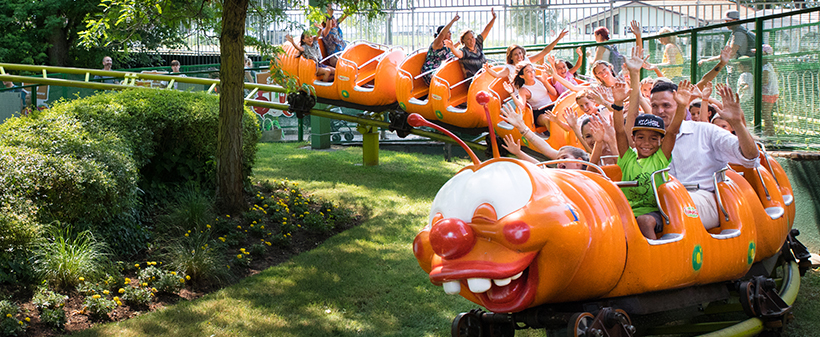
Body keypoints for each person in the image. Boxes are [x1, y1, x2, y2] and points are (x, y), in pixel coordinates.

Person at [609, 45, 690, 239]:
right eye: (641, 138)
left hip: (657, 213)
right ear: (634, 140)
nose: (647, 143)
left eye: (654, 138)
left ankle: (655, 258)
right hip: (627, 212)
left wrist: (681, 105)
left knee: (644, 222)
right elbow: (620, 130)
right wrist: (618, 104)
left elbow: (672, 131)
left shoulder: (661, 158)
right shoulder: (627, 157)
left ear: (660, 141)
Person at [484, 29, 569, 84]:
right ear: (511, 57)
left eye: (520, 53)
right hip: (522, 91)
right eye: (516, 54)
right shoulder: (509, 68)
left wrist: (558, 38)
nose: (519, 56)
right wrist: (488, 69)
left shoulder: (527, 60)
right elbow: (497, 75)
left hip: (534, 87)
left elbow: (544, 52)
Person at [446, 8, 496, 80]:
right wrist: (452, 47)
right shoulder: (465, 51)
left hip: (486, 76)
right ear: (463, 41)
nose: (471, 41)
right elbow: (458, 53)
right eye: (468, 39)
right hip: (475, 80)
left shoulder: (477, 43)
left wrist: (494, 18)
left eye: (472, 37)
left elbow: (486, 30)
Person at [513, 61, 558, 130]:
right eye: (528, 71)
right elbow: (521, 106)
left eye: (533, 70)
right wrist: (511, 94)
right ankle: (555, 139)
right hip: (539, 112)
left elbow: (554, 93)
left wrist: (545, 81)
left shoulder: (539, 79)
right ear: (522, 76)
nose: (532, 73)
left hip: (551, 107)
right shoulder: (523, 90)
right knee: (548, 119)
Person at [420, 14, 460, 86]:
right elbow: (441, 34)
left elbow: (451, 50)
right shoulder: (437, 43)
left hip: (441, 69)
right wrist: (453, 21)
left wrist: (460, 42)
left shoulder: (446, 44)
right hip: (430, 71)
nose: (450, 33)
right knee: (442, 78)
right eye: (448, 32)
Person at [760, 44, 778, 136]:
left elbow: (765, 80)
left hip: (769, 93)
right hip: (770, 92)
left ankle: (771, 133)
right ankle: (768, 131)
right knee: (765, 114)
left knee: (766, 114)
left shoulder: (766, 67)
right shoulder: (768, 65)